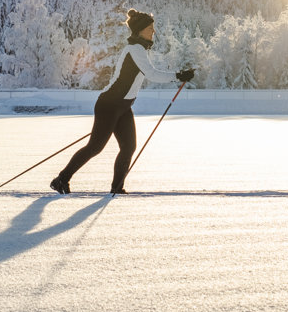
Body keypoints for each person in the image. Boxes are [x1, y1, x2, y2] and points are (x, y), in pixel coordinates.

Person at [50, 10, 194, 195]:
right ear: (140, 30)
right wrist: (178, 76)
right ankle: (61, 179)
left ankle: (117, 188)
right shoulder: (135, 50)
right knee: (95, 147)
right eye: (150, 28)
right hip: (109, 104)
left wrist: (179, 76)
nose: (153, 31)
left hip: (123, 106)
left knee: (128, 147)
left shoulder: (139, 49)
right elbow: (151, 74)